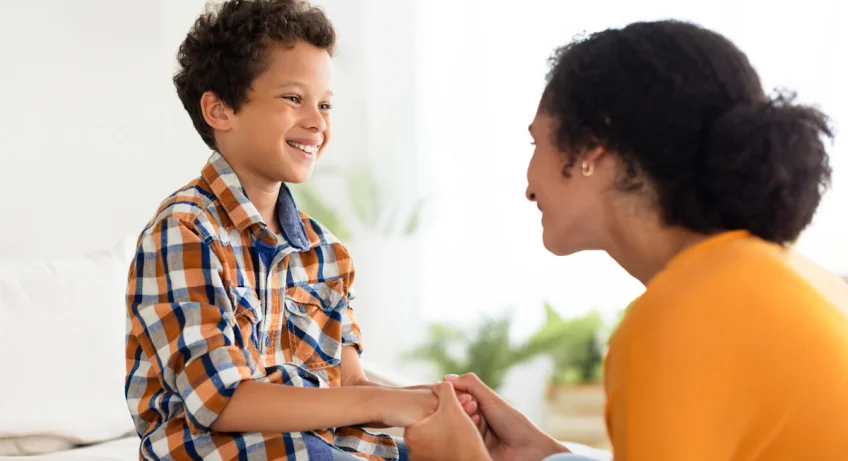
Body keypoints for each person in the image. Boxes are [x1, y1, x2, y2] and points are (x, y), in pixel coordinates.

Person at [404, 19, 848, 461]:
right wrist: (548, 456)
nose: (528, 185)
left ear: (591, 148)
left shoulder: (680, 317)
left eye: (535, 142)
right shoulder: (786, 278)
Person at [123, 1, 479, 460]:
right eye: (294, 98)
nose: (317, 121)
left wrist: (434, 403)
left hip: (315, 441)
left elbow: (348, 384)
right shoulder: (185, 230)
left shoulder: (327, 253)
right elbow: (219, 399)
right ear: (220, 109)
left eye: (325, 103)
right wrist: (386, 401)